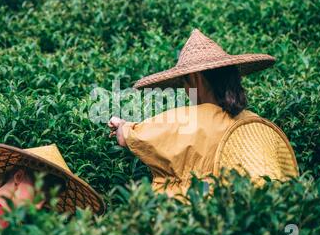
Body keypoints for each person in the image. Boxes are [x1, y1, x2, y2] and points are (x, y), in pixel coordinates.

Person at [108, 29, 298, 201]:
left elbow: (128, 137)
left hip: (188, 221)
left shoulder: (185, 121)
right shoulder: (253, 121)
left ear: (196, 78)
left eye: (184, 82)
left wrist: (122, 124)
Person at [0, 142, 105, 229]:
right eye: (38, 195)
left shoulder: (14, 220)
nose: (40, 206)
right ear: (18, 177)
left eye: (45, 201)